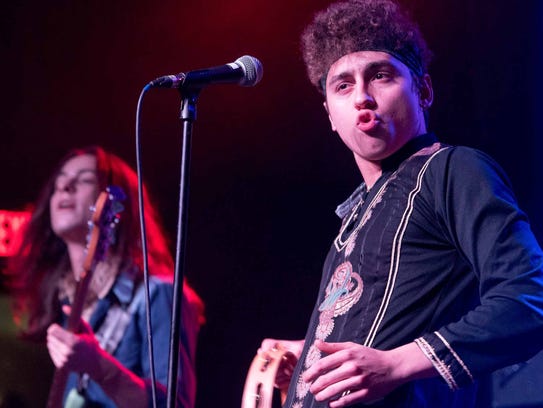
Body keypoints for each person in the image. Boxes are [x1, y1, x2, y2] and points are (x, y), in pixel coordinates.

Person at [259, 0, 543, 407]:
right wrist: (310, 353)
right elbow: (383, 327)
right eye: (343, 85)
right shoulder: (353, 219)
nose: (362, 97)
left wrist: (395, 365)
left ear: (423, 90)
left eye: (380, 76)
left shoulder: (452, 170)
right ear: (329, 115)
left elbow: (529, 299)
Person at [4, 146, 204, 407]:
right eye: (59, 181)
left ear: (115, 206)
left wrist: (99, 366)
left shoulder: (156, 294)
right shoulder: (66, 303)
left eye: (85, 179)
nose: (65, 186)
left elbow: (174, 404)